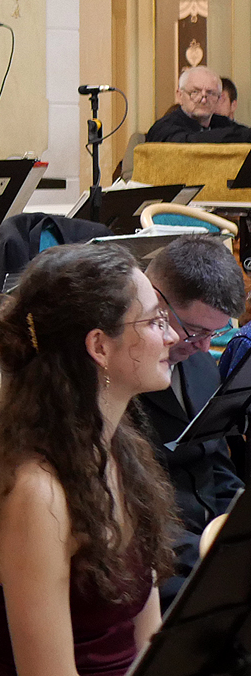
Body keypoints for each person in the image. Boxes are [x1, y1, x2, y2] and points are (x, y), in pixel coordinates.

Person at [0, 243, 178, 676]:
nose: (172, 336)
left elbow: (149, 642)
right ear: (99, 346)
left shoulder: (122, 453)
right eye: (154, 321)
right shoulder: (37, 493)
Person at [140, 236, 246, 602]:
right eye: (195, 330)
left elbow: (216, 467)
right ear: (154, 298)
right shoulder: (121, 378)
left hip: (209, 547)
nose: (204, 346)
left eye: (214, 333)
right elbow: (133, 510)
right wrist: (214, 560)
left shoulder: (200, 365)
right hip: (159, 560)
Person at [145, 65, 251, 142]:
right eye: (195, 92)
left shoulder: (221, 122)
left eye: (210, 93)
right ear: (180, 95)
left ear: (218, 99)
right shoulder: (163, 127)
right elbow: (189, 144)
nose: (203, 100)